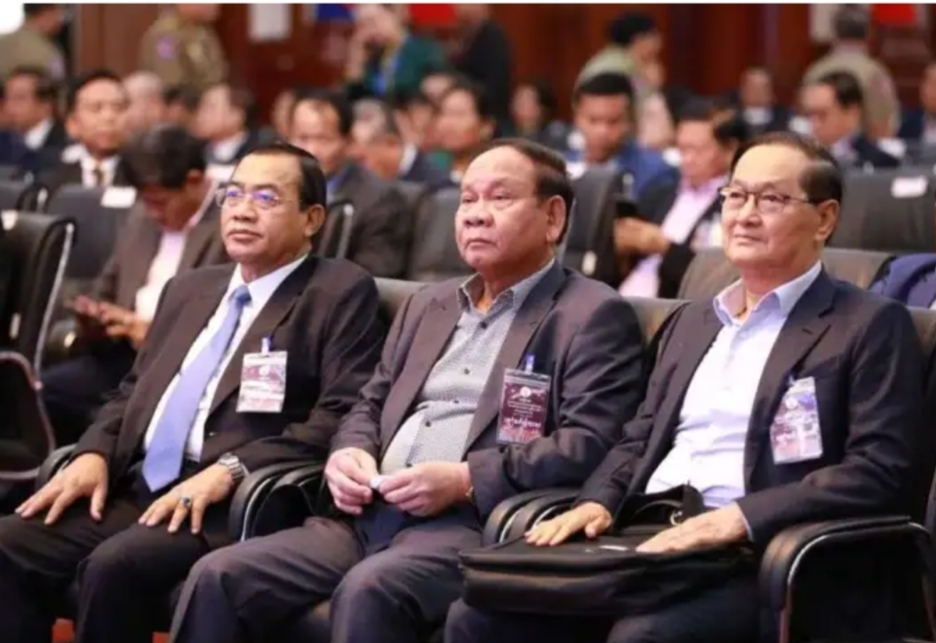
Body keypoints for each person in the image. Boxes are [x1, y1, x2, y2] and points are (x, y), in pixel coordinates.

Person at [446, 130, 929, 643]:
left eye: (770, 199)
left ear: (825, 218)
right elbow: (639, 436)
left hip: (760, 551)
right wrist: (599, 500)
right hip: (651, 532)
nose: (744, 215)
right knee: (478, 615)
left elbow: (880, 470)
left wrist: (740, 518)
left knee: (644, 636)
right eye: (735, 196)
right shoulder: (694, 321)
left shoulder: (868, 325)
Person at [168, 138, 647, 643]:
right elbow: (369, 402)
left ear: (553, 217)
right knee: (218, 575)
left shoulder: (590, 314)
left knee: (370, 589)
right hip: (365, 516)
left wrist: (465, 479)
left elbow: (588, 442)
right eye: (467, 199)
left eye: (499, 198)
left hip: (469, 527)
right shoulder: (429, 304)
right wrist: (351, 451)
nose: (475, 215)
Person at [0, 140, 387, 643]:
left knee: (114, 565)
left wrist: (230, 470)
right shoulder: (190, 288)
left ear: (312, 218)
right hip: (142, 482)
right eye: (233, 194)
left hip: (231, 501)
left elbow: (338, 414)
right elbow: (134, 390)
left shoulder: (337, 291)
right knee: (9, 541)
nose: (242, 211)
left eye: (266, 198)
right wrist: (94, 451)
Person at [40, 125, 230, 445]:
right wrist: (95, 315)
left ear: (194, 181)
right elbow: (106, 287)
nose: (152, 211)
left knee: (117, 411)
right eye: (146, 201)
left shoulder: (230, 223)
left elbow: (226, 316)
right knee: (45, 390)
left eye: (160, 202)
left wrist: (151, 332)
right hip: (123, 354)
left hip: (182, 366)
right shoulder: (142, 215)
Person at [617, 100, 743, 299]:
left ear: (730, 151)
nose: (687, 159)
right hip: (624, 295)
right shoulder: (661, 191)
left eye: (698, 150)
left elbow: (719, 276)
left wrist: (665, 248)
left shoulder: (736, 204)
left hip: (676, 303)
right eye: (682, 149)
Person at [290, 88, 411, 278]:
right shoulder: (279, 190)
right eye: (302, 138)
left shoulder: (379, 199)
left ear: (348, 142)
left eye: (323, 139)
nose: (311, 150)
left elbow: (374, 277)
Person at [566, 72, 678, 198]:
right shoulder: (561, 167)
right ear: (576, 118)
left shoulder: (656, 173)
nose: (602, 131)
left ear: (631, 121)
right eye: (593, 120)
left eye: (613, 121)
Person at [803, 5, 899, 140]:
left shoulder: (815, 71)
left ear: (835, 32)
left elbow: (802, 120)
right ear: (869, 33)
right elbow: (883, 126)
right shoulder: (875, 73)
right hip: (863, 150)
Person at [37, 69, 133, 193]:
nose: (109, 117)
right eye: (96, 108)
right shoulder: (52, 185)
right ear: (72, 123)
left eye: (118, 108)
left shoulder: (146, 179)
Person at [344, 4, 446, 101]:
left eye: (372, 22)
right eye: (362, 26)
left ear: (394, 15)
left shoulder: (424, 50)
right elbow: (356, 97)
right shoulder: (371, 58)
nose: (369, 32)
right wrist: (356, 58)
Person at [801, 70, 900, 169]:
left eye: (823, 115)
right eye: (810, 115)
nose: (814, 124)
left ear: (852, 113)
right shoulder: (801, 161)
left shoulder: (881, 164)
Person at [351, 98, 451, 190]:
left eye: (361, 160)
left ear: (390, 143)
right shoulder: (360, 186)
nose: (358, 169)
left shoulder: (438, 186)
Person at [139, 4, 228, 92]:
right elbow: (170, 81)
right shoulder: (167, 35)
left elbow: (216, 73)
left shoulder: (202, 31)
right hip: (180, 98)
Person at [3, 65, 68, 174]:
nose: (9, 106)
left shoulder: (66, 143)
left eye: (19, 98)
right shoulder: (5, 142)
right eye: (7, 98)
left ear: (46, 104)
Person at [435, 78, 497, 183]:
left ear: (486, 127)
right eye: (443, 113)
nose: (448, 123)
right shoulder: (431, 167)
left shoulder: (496, 175)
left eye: (458, 114)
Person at [195, 81, 259, 166]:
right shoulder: (193, 152)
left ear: (236, 115)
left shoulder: (258, 153)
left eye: (210, 107)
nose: (201, 114)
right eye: (201, 107)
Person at [0, 4, 67, 81]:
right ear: (46, 12)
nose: (59, 19)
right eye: (57, 13)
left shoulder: (4, 41)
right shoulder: (39, 49)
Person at [737, 67, 790, 136]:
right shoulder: (730, 120)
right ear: (742, 90)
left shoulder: (787, 119)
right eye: (753, 87)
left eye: (763, 87)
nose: (758, 92)